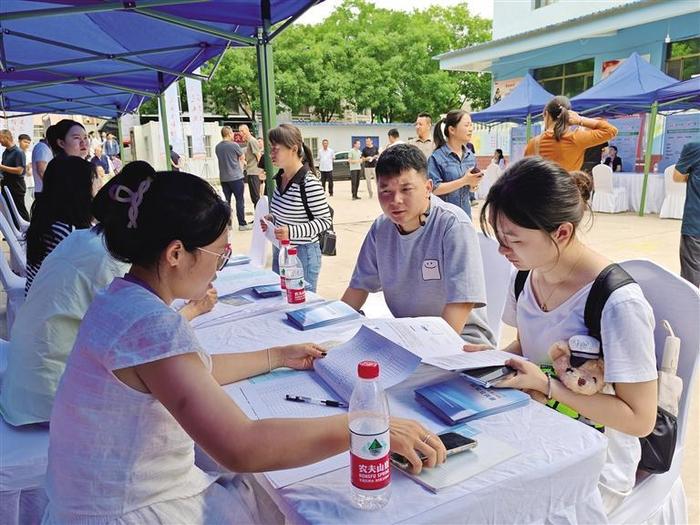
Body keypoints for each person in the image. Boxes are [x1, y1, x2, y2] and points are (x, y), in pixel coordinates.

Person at [42, 166, 446, 524]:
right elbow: (242, 446)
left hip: (97, 498)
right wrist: (364, 428)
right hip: (133, 509)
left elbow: (188, 374)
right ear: (176, 254)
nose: (219, 268)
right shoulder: (150, 324)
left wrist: (276, 356)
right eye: (219, 256)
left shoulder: (121, 298)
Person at [478, 156, 657, 513]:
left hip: (596, 459)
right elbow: (529, 346)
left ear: (561, 232)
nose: (502, 250)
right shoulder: (526, 275)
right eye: (499, 238)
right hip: (539, 427)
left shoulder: (617, 302)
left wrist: (548, 387)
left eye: (513, 239)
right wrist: (491, 359)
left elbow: (640, 419)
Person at [0, 162, 218, 427]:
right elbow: (151, 340)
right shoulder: (111, 265)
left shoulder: (82, 239)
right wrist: (192, 310)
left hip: (25, 387)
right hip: (50, 401)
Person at [342, 143, 495, 347]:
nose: (395, 200)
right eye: (385, 191)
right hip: (408, 337)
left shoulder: (452, 225)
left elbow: (461, 302)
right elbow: (358, 288)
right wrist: (332, 327)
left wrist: (424, 350)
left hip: (460, 342)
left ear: (428, 187)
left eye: (406, 189)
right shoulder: (381, 228)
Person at [261, 124, 332, 293]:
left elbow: (324, 221)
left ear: (293, 149)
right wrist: (272, 219)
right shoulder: (280, 178)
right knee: (282, 300)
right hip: (282, 250)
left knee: (301, 304)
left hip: (303, 254)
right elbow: (285, 212)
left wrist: (291, 232)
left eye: (275, 149)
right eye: (271, 149)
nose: (271, 155)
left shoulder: (309, 183)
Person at [24, 156, 98, 294]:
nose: (95, 187)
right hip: (51, 306)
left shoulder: (48, 218)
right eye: (92, 181)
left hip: (38, 299)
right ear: (78, 190)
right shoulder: (66, 233)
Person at [524, 96, 617, 172]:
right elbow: (611, 130)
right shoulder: (575, 138)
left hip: (541, 193)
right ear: (569, 115)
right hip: (568, 192)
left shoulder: (533, 143)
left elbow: (525, 172)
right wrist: (580, 120)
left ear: (546, 114)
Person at [428, 110, 483, 220]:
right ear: (452, 130)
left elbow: (470, 191)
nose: (471, 129)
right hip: (444, 219)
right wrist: (464, 180)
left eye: (471, 125)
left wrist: (473, 184)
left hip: (465, 217)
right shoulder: (437, 157)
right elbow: (433, 189)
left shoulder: (470, 156)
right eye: (467, 125)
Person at [673, 141, 700, 287]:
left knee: (691, 278)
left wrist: (693, 177)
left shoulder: (694, 146)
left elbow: (677, 176)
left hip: (696, 222)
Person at [215, 126, 251, 231]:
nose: (233, 135)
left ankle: (228, 224)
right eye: (232, 133)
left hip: (224, 178)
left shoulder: (217, 147)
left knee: (227, 202)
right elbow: (242, 157)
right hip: (236, 177)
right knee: (239, 200)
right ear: (229, 133)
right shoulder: (234, 145)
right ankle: (242, 224)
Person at [0, 129, 30, 223]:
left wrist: (1, 167)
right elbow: (3, 168)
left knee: (19, 210)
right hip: (6, 185)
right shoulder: (5, 152)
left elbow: (19, 170)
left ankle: (28, 232)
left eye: (0, 138)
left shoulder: (18, 152)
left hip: (16, 186)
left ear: (6, 137)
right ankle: (15, 232)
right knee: (9, 210)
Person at [240, 124, 262, 206]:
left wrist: (261, 170)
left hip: (254, 172)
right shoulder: (248, 142)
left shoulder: (252, 141)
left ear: (247, 130)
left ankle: (259, 215)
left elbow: (258, 155)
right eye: (240, 131)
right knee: (253, 197)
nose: (241, 133)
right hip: (250, 171)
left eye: (242, 131)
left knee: (256, 197)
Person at [31, 130, 54, 198]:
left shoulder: (43, 147)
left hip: (43, 190)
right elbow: (41, 170)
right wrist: (52, 186)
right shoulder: (42, 148)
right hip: (44, 191)